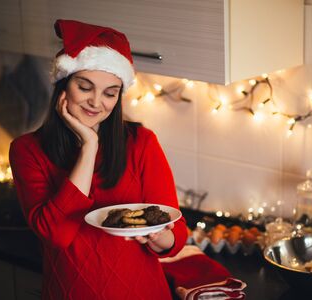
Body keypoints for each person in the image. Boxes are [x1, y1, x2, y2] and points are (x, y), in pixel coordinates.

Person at [9, 19, 187, 300]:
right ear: (63, 85)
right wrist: (89, 147)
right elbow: (57, 235)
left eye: (110, 93)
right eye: (85, 86)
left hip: (143, 292)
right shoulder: (27, 150)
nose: (96, 102)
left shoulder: (142, 143)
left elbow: (175, 232)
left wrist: (160, 238)